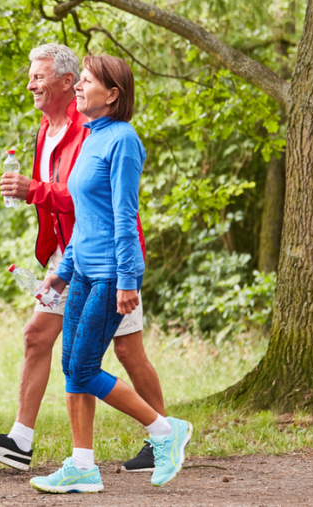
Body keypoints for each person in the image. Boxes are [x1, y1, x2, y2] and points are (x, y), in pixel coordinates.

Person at [0, 43, 164, 474]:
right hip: (71, 255)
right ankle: (29, 443)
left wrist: (32, 189)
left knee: (124, 351)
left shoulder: (91, 128)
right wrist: (59, 262)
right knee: (41, 338)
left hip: (107, 258)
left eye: (39, 76)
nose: (31, 83)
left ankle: (162, 435)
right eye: (31, 75)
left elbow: (92, 201)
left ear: (67, 82)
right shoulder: (45, 129)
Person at [28, 55, 192, 494]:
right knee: (71, 366)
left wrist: (127, 279)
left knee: (82, 369)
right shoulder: (91, 136)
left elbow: (124, 215)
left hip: (108, 276)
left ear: (112, 94)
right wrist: (62, 273)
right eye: (78, 81)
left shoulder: (122, 141)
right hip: (83, 273)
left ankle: (164, 431)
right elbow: (85, 218)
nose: (78, 89)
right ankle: (82, 465)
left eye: (85, 82)